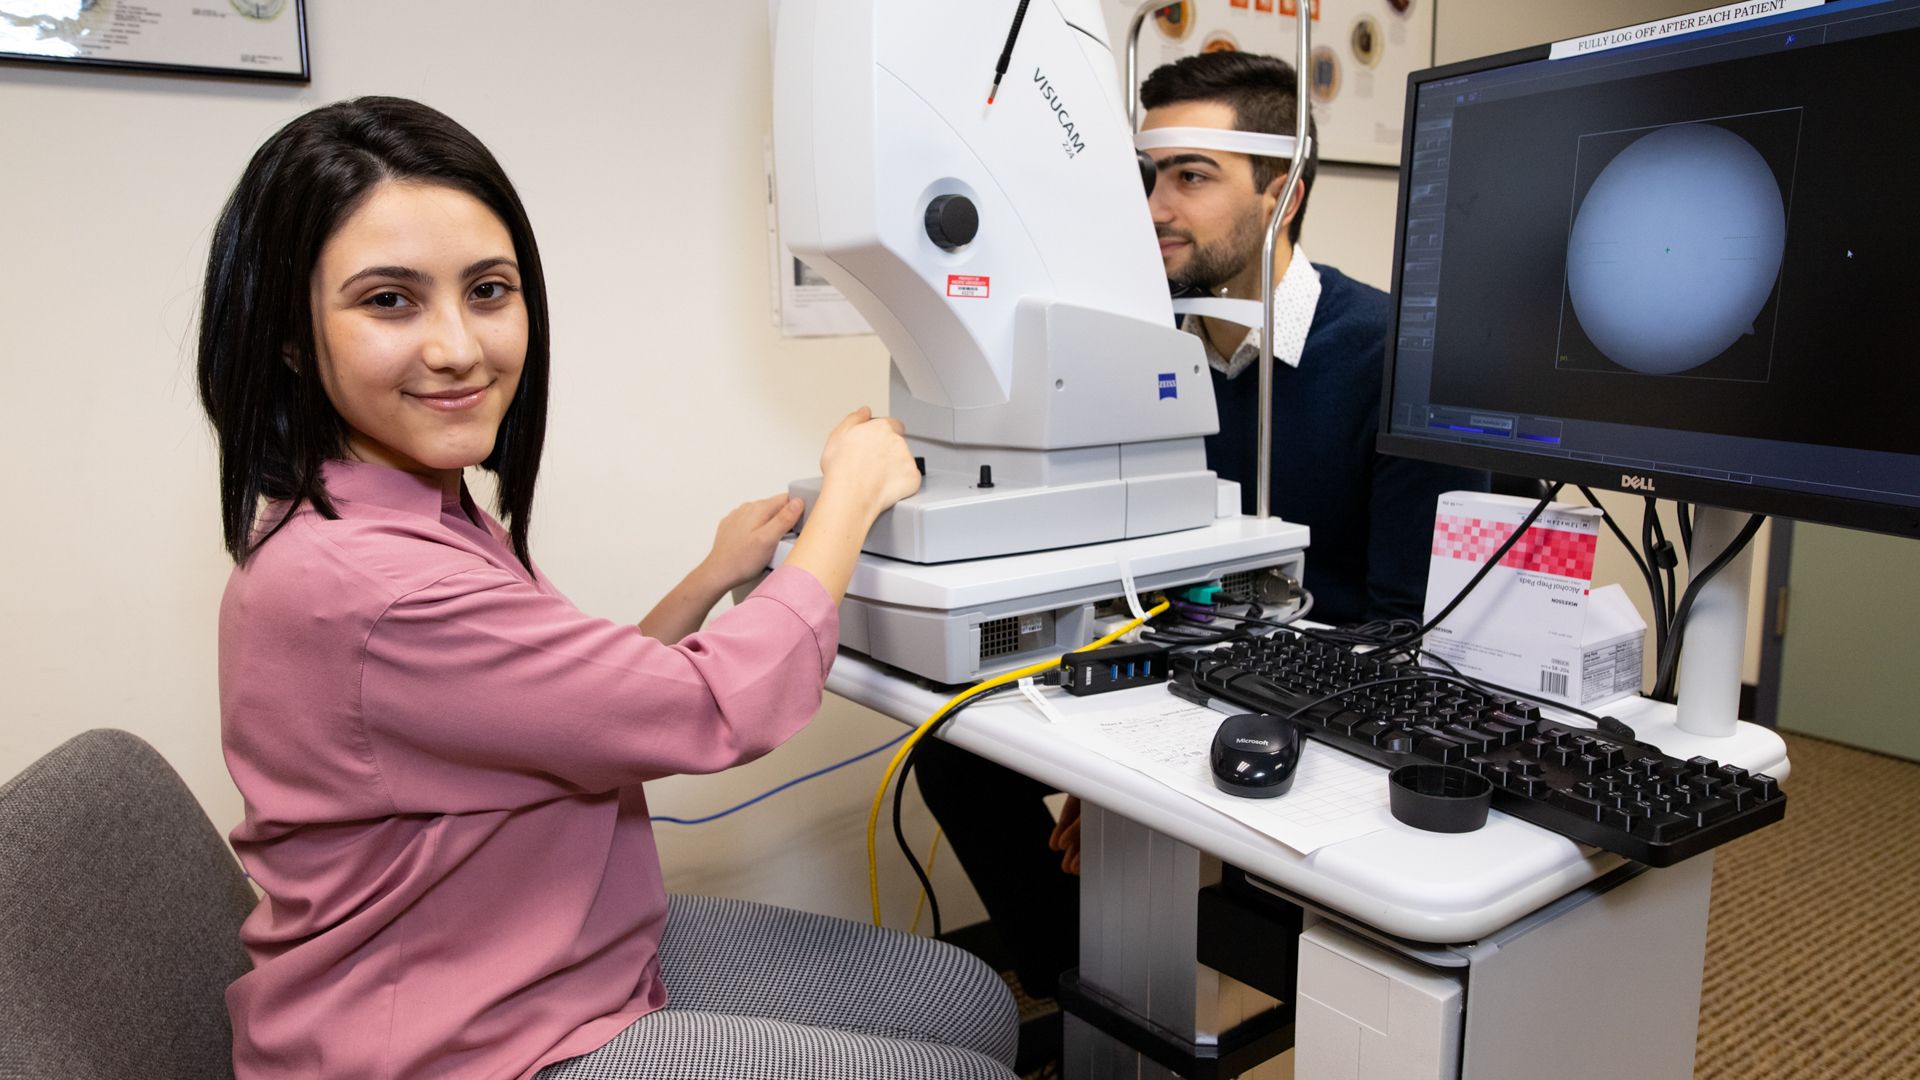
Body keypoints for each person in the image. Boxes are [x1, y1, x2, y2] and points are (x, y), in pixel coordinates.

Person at [198, 96, 1016, 1080]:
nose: (459, 347)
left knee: (963, 996)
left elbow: (563, 708)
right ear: (289, 336)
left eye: (489, 291)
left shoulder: (394, 506)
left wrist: (710, 580)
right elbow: (711, 712)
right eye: (389, 301)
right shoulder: (374, 586)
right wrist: (847, 503)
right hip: (452, 1041)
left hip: (547, 951)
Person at [912, 51, 1487, 1039]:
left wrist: (1153, 768)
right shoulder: (1146, 352)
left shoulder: (1395, 361)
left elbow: (1408, 633)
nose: (1153, 208)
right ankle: (1087, 989)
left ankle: (1217, 998)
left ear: (1284, 191)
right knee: (951, 748)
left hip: (1332, 691)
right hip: (1189, 654)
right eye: (1144, 175)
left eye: (1192, 176)